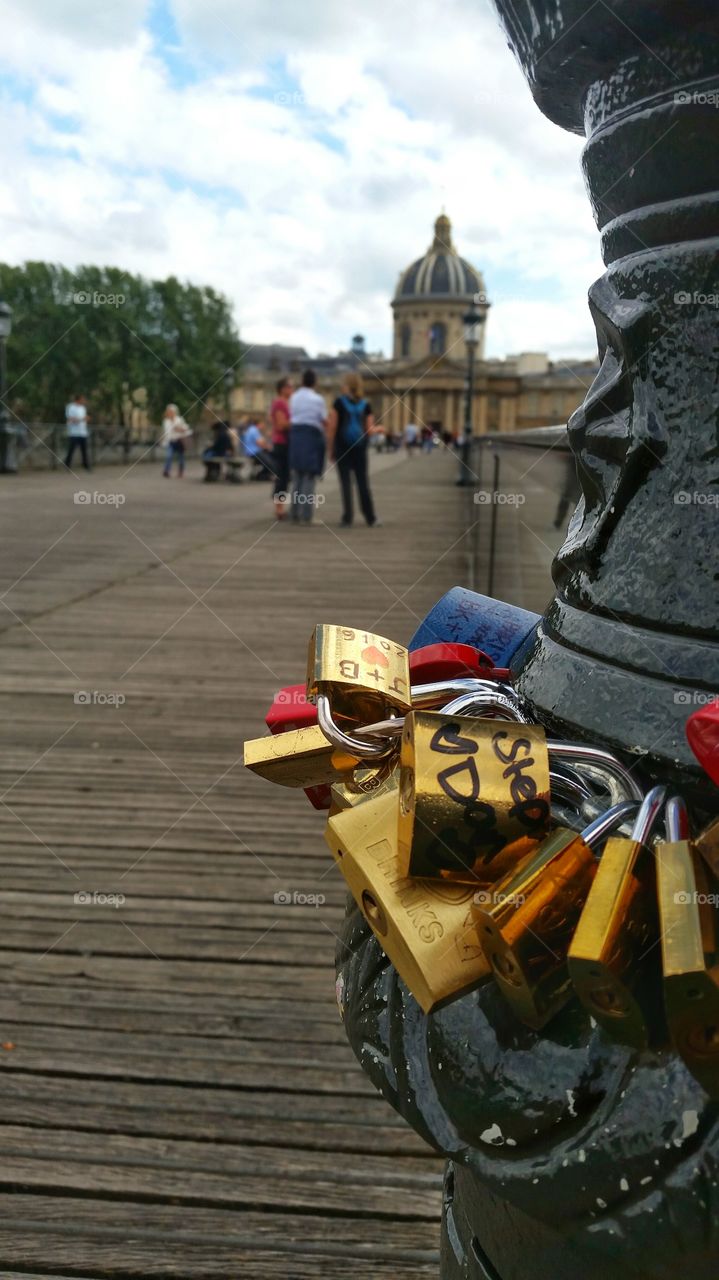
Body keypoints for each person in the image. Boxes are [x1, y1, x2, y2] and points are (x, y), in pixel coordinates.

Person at [327, 372, 380, 528]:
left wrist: (330, 448)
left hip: (342, 447)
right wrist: (380, 429)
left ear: (347, 386)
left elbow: (332, 427)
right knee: (363, 482)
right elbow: (369, 430)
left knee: (345, 483)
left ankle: (347, 517)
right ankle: (370, 517)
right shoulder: (366, 404)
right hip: (360, 447)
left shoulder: (338, 403)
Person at [288, 370, 326, 523]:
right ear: (315, 382)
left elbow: (292, 415)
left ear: (302, 381)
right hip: (311, 435)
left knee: (297, 476)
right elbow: (323, 419)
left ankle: (294, 514)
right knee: (309, 477)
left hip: (295, 435)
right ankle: (307, 516)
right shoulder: (318, 399)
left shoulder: (294, 397)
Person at [269, 378, 292, 516]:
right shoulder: (279, 403)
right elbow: (280, 424)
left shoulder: (285, 403)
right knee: (282, 476)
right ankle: (279, 508)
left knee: (285, 476)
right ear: (282, 388)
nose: (292, 389)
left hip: (286, 443)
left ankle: (280, 507)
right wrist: (297, 421)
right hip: (282, 443)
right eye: (290, 386)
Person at [161, 404, 192, 477]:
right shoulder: (166, 421)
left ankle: (181, 471)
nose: (169, 413)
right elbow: (166, 432)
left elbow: (185, 429)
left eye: (171, 411)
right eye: (168, 411)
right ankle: (166, 471)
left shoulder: (179, 419)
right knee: (169, 456)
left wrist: (178, 429)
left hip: (179, 441)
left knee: (181, 458)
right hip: (171, 441)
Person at [64, 394, 91, 470]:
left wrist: (86, 419)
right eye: (82, 399)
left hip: (83, 433)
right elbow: (71, 419)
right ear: (78, 400)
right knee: (71, 450)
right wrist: (82, 419)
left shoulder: (83, 408)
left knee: (84, 450)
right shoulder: (71, 407)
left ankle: (86, 466)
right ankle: (67, 465)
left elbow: (84, 419)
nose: (84, 401)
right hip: (74, 433)